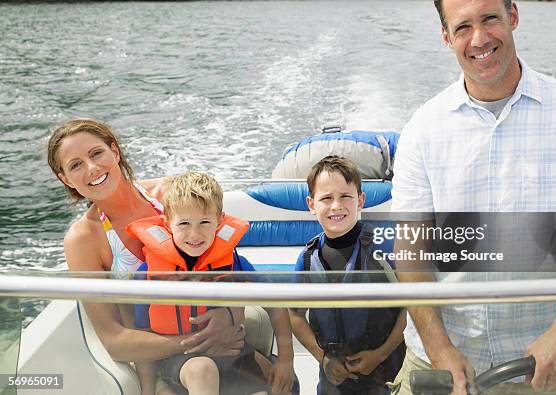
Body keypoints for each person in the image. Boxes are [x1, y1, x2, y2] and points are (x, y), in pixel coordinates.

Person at [389, 0, 556, 395]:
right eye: (463, 27)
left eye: (489, 19)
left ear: (513, 15)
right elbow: (411, 251)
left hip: (541, 358)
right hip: (441, 357)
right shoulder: (422, 129)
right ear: (446, 37)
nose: (479, 38)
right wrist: (440, 350)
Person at [47, 119, 246, 394]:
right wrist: (195, 341)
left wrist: (231, 315)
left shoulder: (169, 195)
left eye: (96, 153)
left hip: (221, 329)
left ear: (114, 152)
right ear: (65, 178)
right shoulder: (83, 240)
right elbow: (114, 340)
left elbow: (231, 267)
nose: (92, 169)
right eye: (75, 165)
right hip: (156, 359)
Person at [128, 171, 295, 395]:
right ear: (167, 223)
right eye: (184, 223)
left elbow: (275, 304)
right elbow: (143, 333)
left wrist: (286, 361)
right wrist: (147, 391)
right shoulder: (148, 274)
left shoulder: (235, 263)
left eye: (204, 222)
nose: (195, 234)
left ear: (219, 220)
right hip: (183, 362)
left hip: (234, 356)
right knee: (202, 369)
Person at [289, 155, 407, 394]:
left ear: (360, 200)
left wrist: (379, 354)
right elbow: (294, 316)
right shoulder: (306, 260)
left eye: (345, 196)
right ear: (312, 205)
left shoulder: (384, 249)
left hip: (387, 375)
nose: (336, 206)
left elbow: (413, 307)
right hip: (333, 380)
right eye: (326, 198)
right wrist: (323, 358)